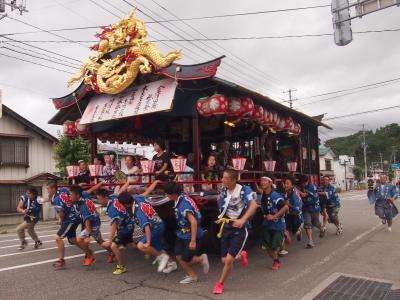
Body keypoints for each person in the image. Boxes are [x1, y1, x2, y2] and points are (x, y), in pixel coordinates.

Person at [213, 169, 258, 295]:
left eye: (225, 178)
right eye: (223, 177)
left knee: (228, 261)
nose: (222, 180)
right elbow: (219, 199)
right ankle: (241, 254)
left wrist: (243, 220)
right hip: (226, 226)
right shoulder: (223, 189)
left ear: (233, 180)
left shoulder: (244, 190)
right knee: (224, 260)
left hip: (240, 228)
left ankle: (220, 284)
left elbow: (254, 205)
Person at [163, 181, 209, 284]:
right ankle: (192, 273)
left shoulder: (183, 204)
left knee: (184, 260)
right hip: (183, 233)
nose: (166, 196)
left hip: (191, 234)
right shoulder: (181, 196)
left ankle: (197, 266)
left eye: (167, 194)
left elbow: (193, 222)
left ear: (173, 194)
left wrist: (193, 241)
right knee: (178, 256)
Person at [95, 187, 135, 275]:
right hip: (128, 225)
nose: (99, 202)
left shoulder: (112, 210)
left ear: (105, 198)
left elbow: (113, 227)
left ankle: (121, 267)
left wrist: (109, 241)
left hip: (125, 228)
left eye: (99, 199)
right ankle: (147, 248)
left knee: (114, 246)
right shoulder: (113, 197)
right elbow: (119, 192)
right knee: (129, 245)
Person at [69, 185, 112, 266]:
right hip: (94, 221)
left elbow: (87, 221)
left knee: (80, 239)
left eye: (71, 195)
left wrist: (88, 236)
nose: (69, 196)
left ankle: (90, 255)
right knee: (99, 241)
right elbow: (89, 191)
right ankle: (110, 252)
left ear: (77, 195)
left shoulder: (83, 206)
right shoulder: (83, 195)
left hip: (94, 224)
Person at [256, 176, 288, 270]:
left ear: (270, 183)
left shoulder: (274, 195)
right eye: (261, 180)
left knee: (274, 246)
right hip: (267, 224)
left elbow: (285, 207)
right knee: (267, 246)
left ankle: (284, 236)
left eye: (265, 180)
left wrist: (274, 216)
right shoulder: (263, 195)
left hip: (277, 224)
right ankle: (276, 261)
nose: (262, 182)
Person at [51, 184, 82, 269]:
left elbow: (61, 214)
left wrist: (62, 222)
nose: (47, 191)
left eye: (48, 189)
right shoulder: (64, 190)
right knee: (72, 239)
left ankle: (61, 260)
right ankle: (89, 252)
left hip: (69, 220)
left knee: (58, 238)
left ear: (53, 189)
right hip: (76, 216)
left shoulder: (56, 199)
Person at [298, 175, 325, 248]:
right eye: (301, 183)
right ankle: (310, 241)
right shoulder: (304, 187)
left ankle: (322, 229)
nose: (302, 184)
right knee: (307, 224)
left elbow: (304, 196)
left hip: (314, 208)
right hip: (306, 209)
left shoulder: (311, 187)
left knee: (316, 223)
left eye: (303, 183)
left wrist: (297, 191)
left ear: (306, 182)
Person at [281, 177, 303, 255]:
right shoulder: (286, 192)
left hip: (296, 216)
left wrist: (288, 204)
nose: (285, 185)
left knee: (295, 232)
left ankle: (298, 231)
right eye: (284, 183)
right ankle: (283, 249)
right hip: (288, 215)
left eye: (287, 183)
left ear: (292, 185)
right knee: (283, 230)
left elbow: (298, 208)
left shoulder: (295, 195)